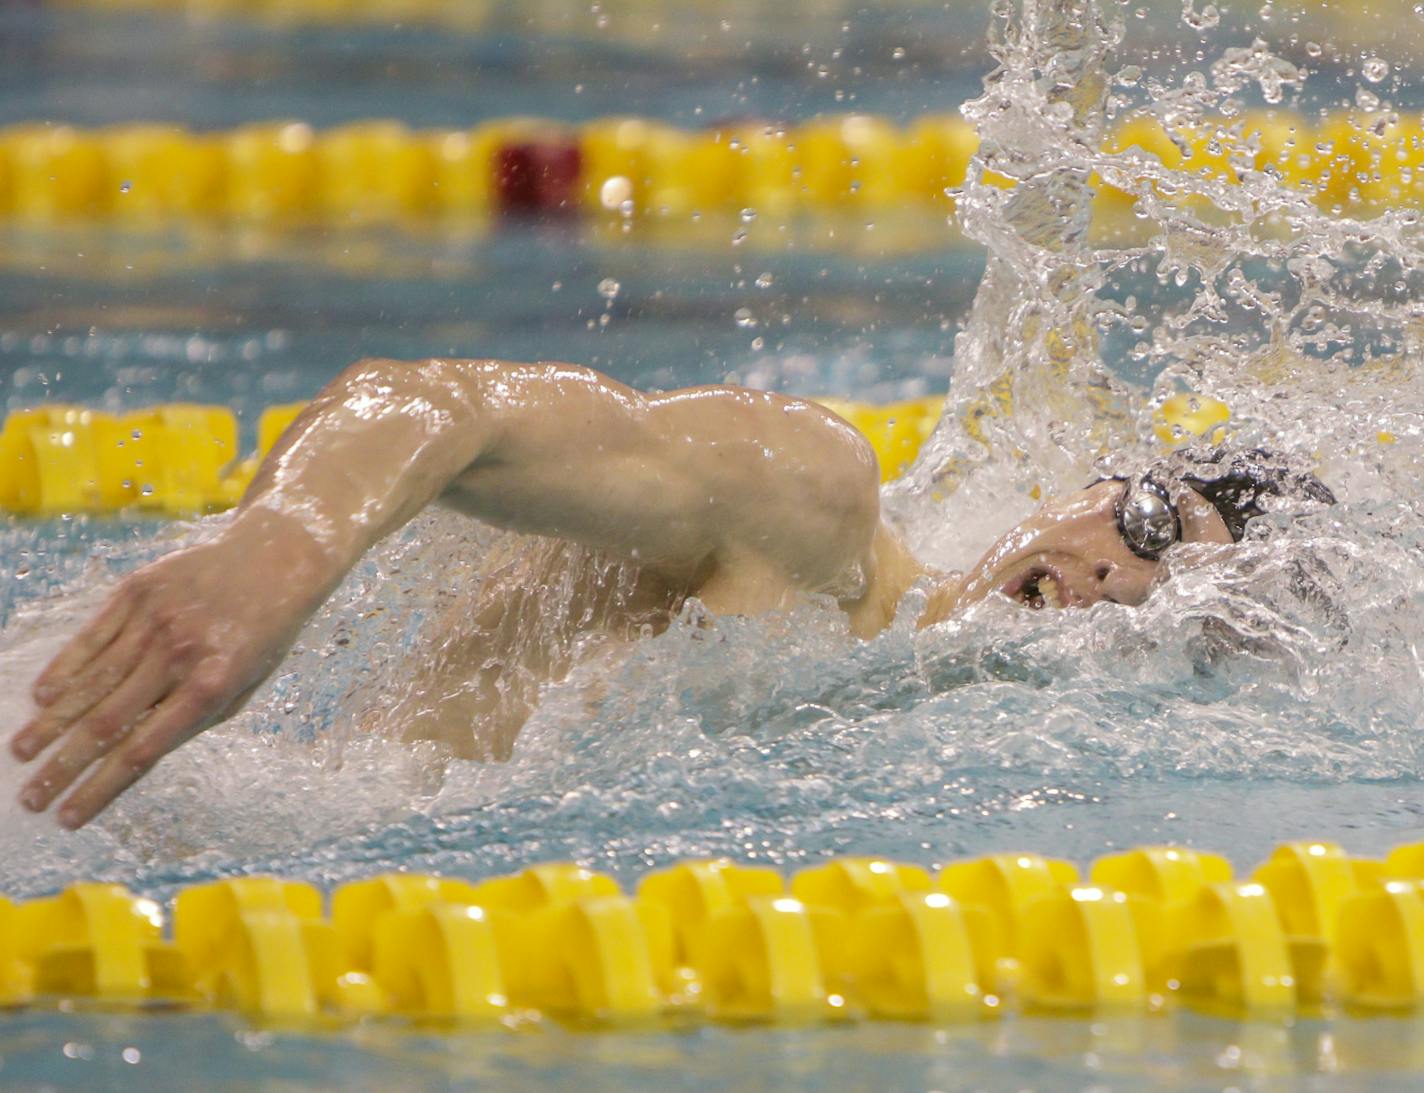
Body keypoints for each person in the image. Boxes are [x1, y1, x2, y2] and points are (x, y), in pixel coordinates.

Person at [9, 357, 1333, 829]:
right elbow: (429, 401)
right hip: (110, 771)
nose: (1116, 578)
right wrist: (274, 554)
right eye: (1154, 520)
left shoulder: (901, 746)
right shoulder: (815, 504)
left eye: (1170, 600)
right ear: (1090, 485)